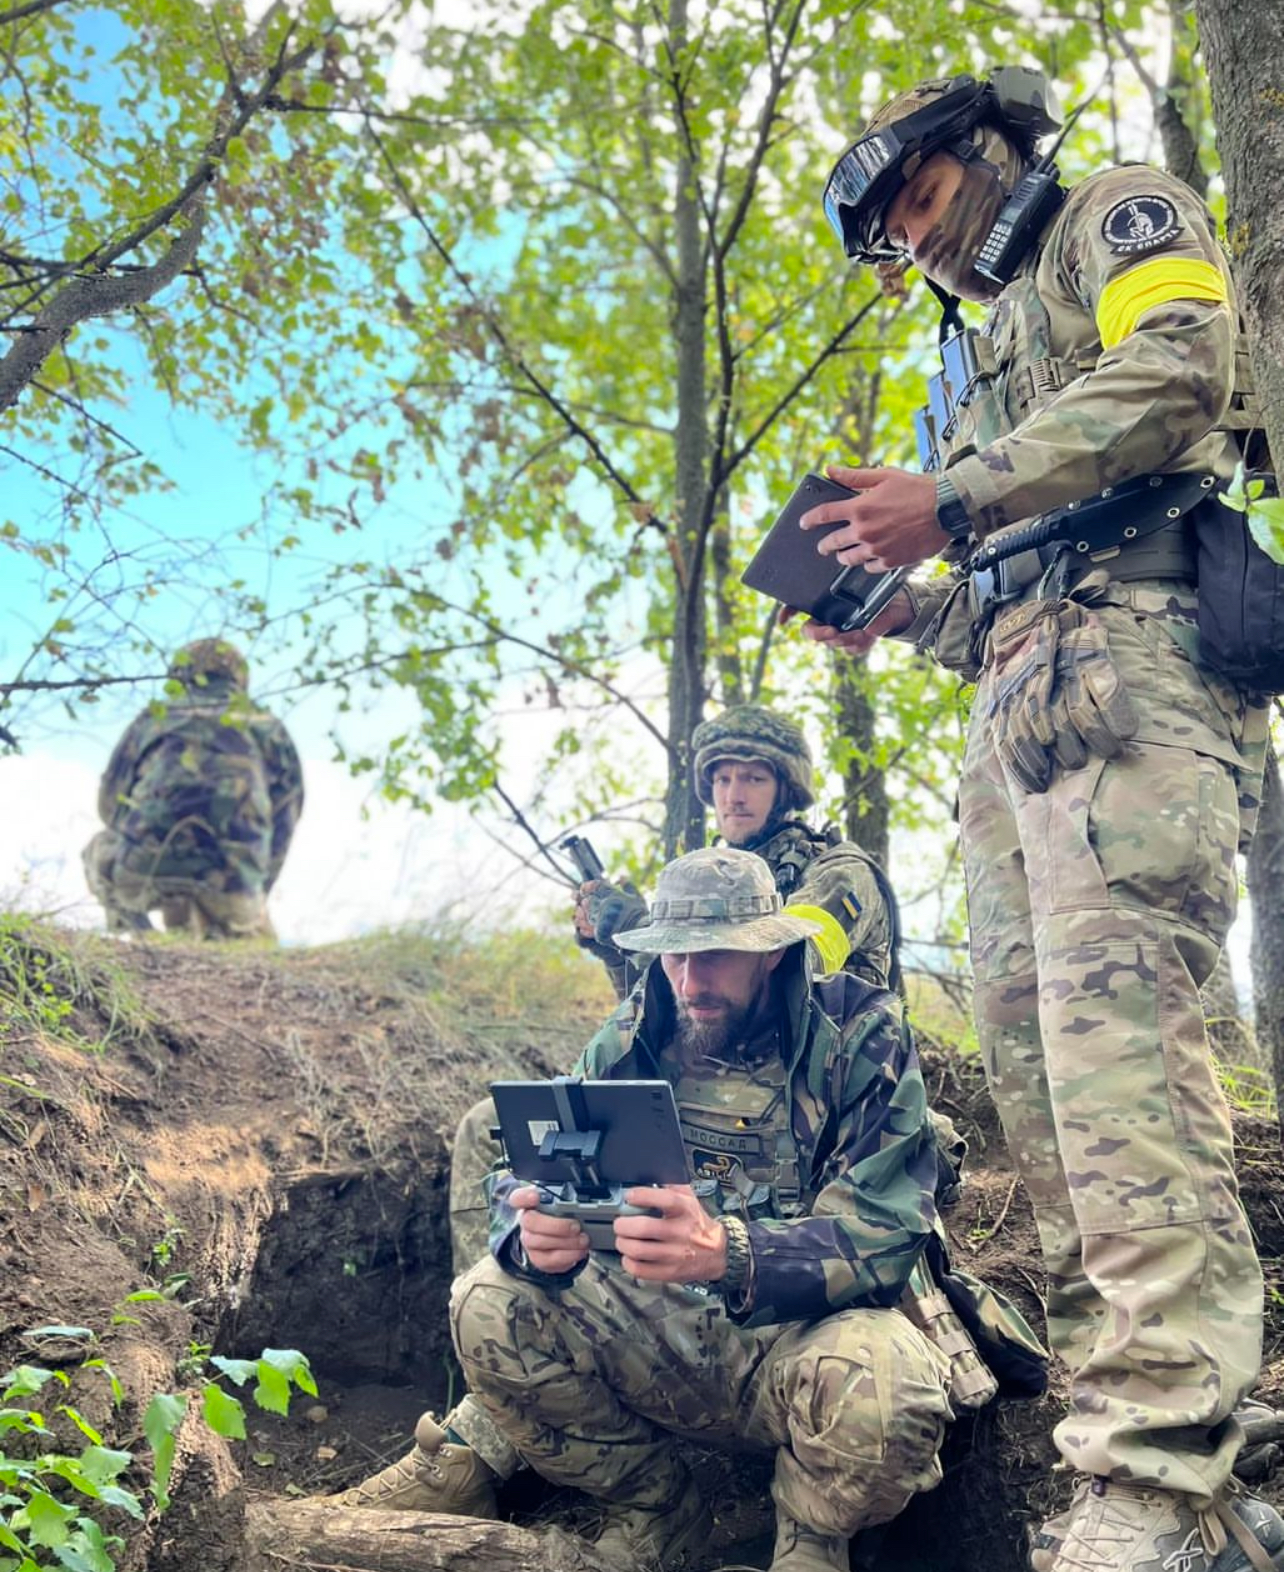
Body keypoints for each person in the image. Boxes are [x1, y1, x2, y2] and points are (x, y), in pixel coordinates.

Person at [806, 68, 1281, 1572]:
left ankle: (1160, 1465)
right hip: (1022, 711)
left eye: (923, 204)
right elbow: (1008, 589)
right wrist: (909, 610)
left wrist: (953, 492)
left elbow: (1189, 363)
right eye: (891, 240)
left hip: (1141, 679)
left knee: (1124, 1064)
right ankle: (1154, 1439)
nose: (918, 249)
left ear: (984, 151)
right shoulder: (979, 343)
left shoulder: (1113, 213)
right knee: (1042, 1088)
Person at [436, 848, 1041, 1570]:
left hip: (805, 1345)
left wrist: (733, 1252)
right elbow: (521, 1170)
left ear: (770, 951)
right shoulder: (640, 1025)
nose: (692, 981)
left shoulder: (857, 1033)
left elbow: (885, 1232)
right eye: (674, 958)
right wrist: (528, 1230)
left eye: (716, 955)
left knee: (891, 1386)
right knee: (485, 1301)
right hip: (661, 1329)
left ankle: (811, 1539)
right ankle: (659, 1512)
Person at [573, 703, 898, 999]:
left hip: (836, 1062)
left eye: (754, 779)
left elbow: (788, 973)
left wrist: (639, 927)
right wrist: (618, 952)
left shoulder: (840, 873)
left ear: (787, 790)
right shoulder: (714, 879)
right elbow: (682, 1011)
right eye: (722, 780)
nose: (733, 796)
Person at [82, 638, 303, 940]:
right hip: (234, 883)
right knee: (255, 946)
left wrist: (149, 835)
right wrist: (256, 886)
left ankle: (143, 938)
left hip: (144, 869)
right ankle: (224, 926)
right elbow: (285, 819)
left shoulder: (153, 719)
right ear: (239, 678)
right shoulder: (266, 725)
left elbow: (110, 805)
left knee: (97, 850)